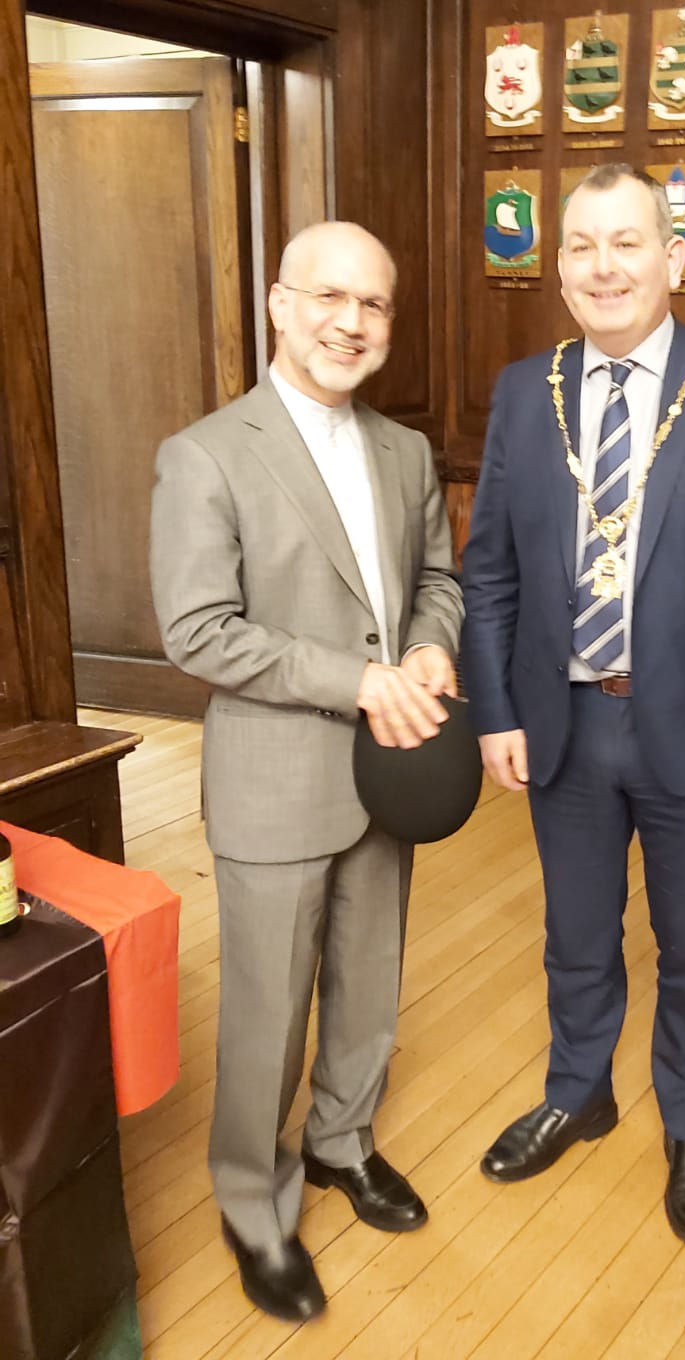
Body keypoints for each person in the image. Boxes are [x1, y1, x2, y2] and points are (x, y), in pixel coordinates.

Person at [461, 164, 685, 1242]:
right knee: (575, 934)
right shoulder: (523, 391)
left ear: (672, 258)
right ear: (558, 267)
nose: (604, 266)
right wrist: (495, 709)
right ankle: (579, 1091)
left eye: (628, 242)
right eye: (581, 246)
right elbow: (490, 571)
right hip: (562, 721)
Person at [150, 222, 463, 1324]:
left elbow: (437, 581)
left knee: (370, 981)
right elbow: (198, 630)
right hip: (276, 779)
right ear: (280, 305)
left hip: (390, 766)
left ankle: (342, 1142)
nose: (351, 322)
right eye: (329, 297)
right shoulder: (205, 455)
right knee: (267, 1012)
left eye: (374, 304)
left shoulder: (406, 451)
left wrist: (429, 648)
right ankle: (254, 1204)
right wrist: (357, 679)